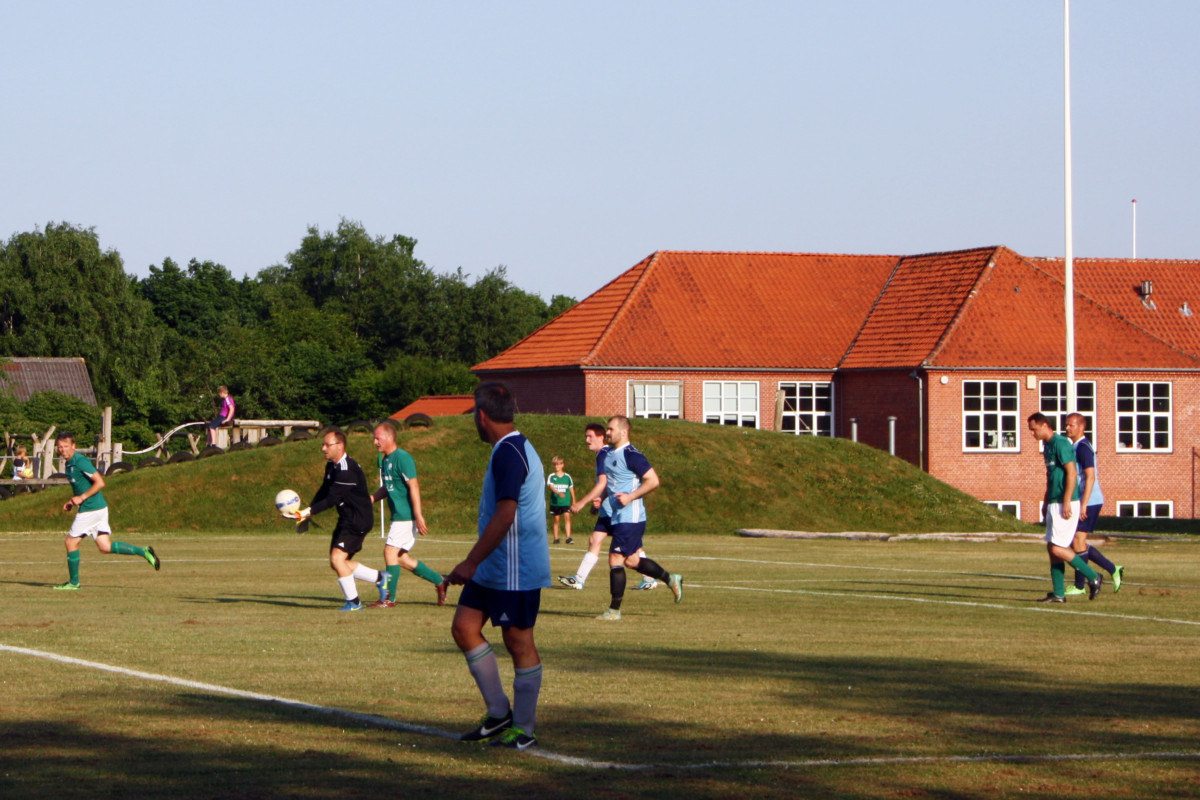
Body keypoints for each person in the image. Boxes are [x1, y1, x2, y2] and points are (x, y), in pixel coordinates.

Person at [446, 382, 550, 750]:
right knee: (464, 627)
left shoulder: (511, 451)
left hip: (514, 566)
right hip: (495, 565)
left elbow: (507, 512)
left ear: (481, 415)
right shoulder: (506, 449)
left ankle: (523, 728)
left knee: (518, 640)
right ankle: (498, 715)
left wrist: (471, 561)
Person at [570, 415, 681, 620]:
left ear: (624, 432)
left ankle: (614, 610)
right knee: (631, 561)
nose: (608, 433)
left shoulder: (632, 455)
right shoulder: (610, 454)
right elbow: (610, 485)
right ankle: (670, 578)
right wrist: (600, 500)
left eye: (611, 429)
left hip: (632, 516)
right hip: (618, 516)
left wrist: (631, 496)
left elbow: (653, 480)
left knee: (615, 558)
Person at [52, 432, 160, 590]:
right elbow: (83, 485)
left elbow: (100, 482)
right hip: (98, 507)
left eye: (66, 446)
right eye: (60, 447)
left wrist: (81, 498)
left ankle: (74, 582)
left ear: (73, 446)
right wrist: (73, 500)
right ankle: (143, 552)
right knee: (104, 546)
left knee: (71, 542)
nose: (62, 449)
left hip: (91, 509)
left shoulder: (80, 461)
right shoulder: (69, 463)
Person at [296, 430, 389, 611]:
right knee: (338, 563)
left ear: (340, 446)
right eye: (322, 445)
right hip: (347, 518)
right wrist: (306, 515)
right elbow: (324, 491)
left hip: (358, 520)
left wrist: (306, 513)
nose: (323, 448)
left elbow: (331, 499)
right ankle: (380, 578)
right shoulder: (332, 466)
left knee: (337, 559)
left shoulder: (347, 469)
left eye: (327, 445)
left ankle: (354, 603)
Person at [559, 423, 658, 591]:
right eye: (586, 436)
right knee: (596, 540)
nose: (587, 440)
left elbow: (604, 483)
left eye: (590, 436)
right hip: (610, 508)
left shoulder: (604, 454)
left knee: (630, 552)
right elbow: (608, 484)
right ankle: (579, 579)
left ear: (601, 438)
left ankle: (656, 578)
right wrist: (598, 502)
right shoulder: (604, 454)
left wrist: (582, 502)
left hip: (617, 510)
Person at [1027, 413, 1102, 603]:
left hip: (1064, 503)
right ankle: (1059, 593)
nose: (1032, 433)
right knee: (1052, 549)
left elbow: (1072, 472)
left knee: (1058, 548)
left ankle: (1093, 576)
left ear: (1045, 425)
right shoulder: (1048, 446)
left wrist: (1067, 500)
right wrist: (1046, 502)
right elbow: (1051, 477)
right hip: (1054, 501)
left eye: (1034, 429)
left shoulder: (1061, 443)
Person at [368, 422, 444, 607]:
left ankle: (388, 598)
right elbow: (388, 487)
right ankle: (440, 581)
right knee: (401, 558)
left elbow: (414, 486)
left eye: (378, 438)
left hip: (406, 516)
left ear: (390, 438)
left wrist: (418, 515)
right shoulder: (385, 460)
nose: (375, 442)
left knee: (389, 552)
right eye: (374, 438)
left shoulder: (403, 458)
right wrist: (371, 498)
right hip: (399, 516)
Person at [1063, 413, 1124, 596]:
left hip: (1089, 501)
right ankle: (1113, 569)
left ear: (1081, 427)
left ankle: (1081, 586)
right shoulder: (1075, 446)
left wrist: (1084, 503)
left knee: (1077, 541)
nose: (1067, 428)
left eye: (1071, 425)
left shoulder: (1083, 447)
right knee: (1077, 542)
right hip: (1084, 500)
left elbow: (1090, 476)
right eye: (1066, 425)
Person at [546, 456, 575, 545]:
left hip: (565, 502)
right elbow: (551, 486)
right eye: (555, 465)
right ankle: (556, 538)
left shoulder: (567, 477)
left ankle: (568, 537)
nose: (557, 467)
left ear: (562, 465)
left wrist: (574, 501)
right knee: (556, 519)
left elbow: (571, 489)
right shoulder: (552, 476)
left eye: (558, 464)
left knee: (567, 517)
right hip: (555, 502)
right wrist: (558, 493)